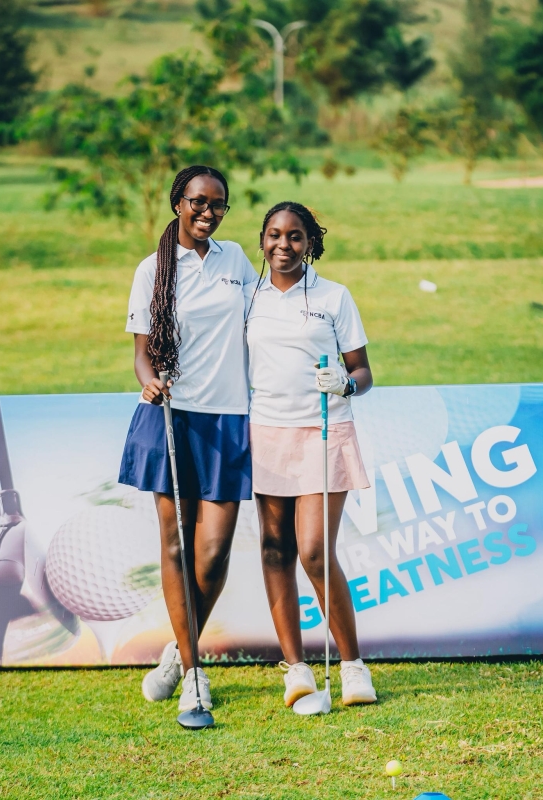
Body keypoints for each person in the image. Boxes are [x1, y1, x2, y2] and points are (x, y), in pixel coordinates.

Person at [118, 165, 256, 713]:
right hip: (169, 416)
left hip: (227, 418)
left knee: (214, 552)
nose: (208, 211)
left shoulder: (237, 260)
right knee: (174, 546)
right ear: (178, 202)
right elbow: (141, 351)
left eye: (218, 204)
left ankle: (179, 652)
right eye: (198, 201)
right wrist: (148, 379)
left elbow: (261, 323)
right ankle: (195, 675)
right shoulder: (151, 269)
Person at [245, 201, 377, 708]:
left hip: (324, 431)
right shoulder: (249, 298)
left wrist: (345, 383)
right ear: (262, 240)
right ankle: (295, 667)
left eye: (295, 237)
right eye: (274, 235)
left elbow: (364, 372)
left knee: (315, 551)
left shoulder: (334, 296)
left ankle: (352, 666)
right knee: (275, 549)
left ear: (310, 243)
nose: (284, 245)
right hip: (266, 433)